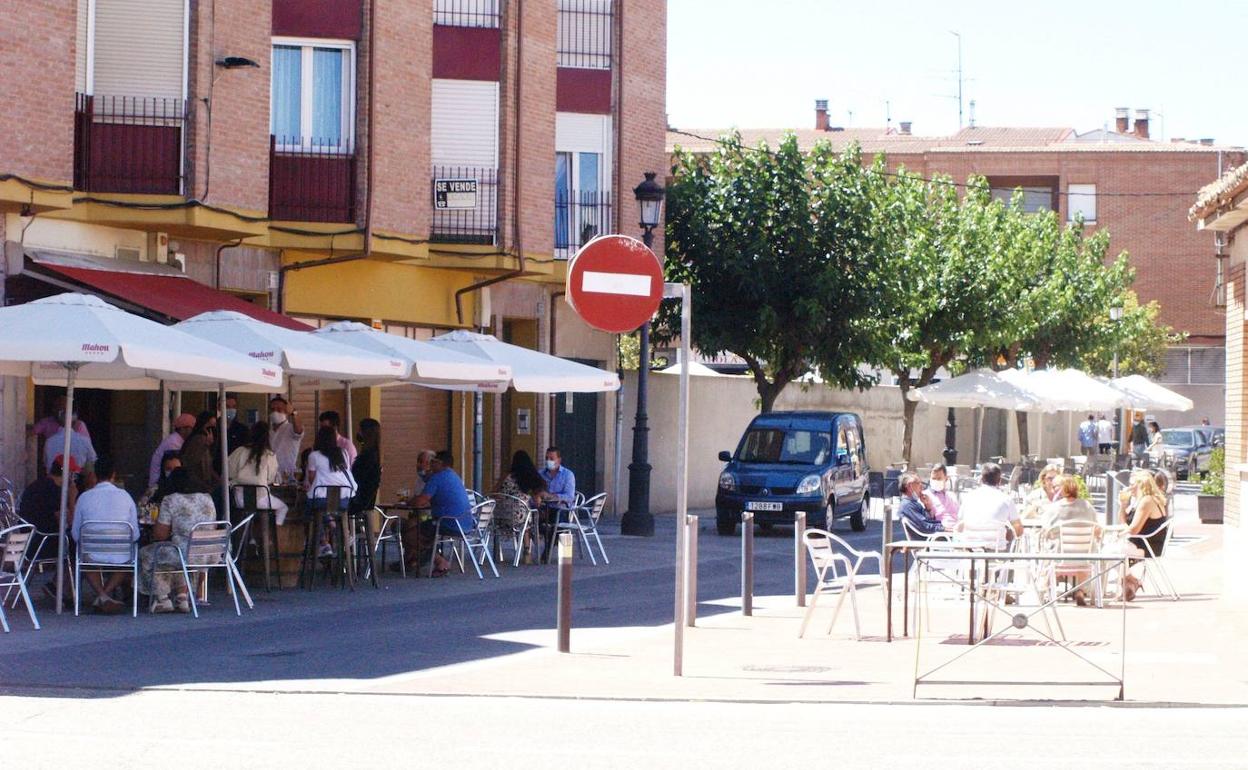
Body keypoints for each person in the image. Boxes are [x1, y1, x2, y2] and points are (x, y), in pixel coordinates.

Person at [137, 468, 216, 614]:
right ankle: (181, 597)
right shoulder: (207, 498)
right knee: (174, 552)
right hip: (210, 553)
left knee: (147, 554)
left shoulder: (171, 500)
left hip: (185, 553)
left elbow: (160, 534)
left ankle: (162, 598)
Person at [70, 457, 138, 615]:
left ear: (94, 475)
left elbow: (75, 534)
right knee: (129, 560)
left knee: (84, 557)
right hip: (121, 554)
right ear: (113, 475)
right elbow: (134, 534)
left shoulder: (84, 497)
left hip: (92, 553)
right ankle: (105, 594)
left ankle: (102, 595)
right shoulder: (126, 497)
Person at [19, 456, 79, 604]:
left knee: (73, 541)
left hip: (29, 540)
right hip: (42, 542)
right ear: (68, 474)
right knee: (78, 545)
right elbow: (67, 522)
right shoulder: (52, 490)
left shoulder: (39, 485)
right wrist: (72, 499)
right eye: (74, 474)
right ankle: (62, 588)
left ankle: (58, 585)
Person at [410, 451, 474, 576]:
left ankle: (440, 561)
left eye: (434, 462)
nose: (431, 465)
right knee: (421, 530)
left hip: (447, 523)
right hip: (465, 523)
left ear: (442, 464)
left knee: (410, 533)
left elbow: (420, 501)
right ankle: (417, 558)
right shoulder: (453, 476)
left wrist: (409, 502)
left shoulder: (437, 478)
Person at [1115, 470, 1171, 600]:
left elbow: (1133, 530)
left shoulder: (1147, 501)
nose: (1129, 487)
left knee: (1111, 552)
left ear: (1141, 485)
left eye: (1132, 484)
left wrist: (1120, 533)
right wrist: (1123, 505)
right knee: (1110, 550)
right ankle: (1130, 582)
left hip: (1147, 545)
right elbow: (1125, 524)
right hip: (1141, 543)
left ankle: (1131, 581)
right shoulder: (1142, 500)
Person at [305, 425, 357, 557]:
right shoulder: (343, 453)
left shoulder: (314, 455)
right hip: (344, 500)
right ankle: (341, 531)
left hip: (322, 500)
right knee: (326, 509)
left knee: (311, 510)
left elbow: (311, 478)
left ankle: (323, 543)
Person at [227, 421, 288, 525]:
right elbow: (270, 479)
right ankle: (273, 534)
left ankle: (251, 537)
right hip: (261, 500)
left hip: (240, 500)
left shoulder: (239, 451)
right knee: (283, 508)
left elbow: (229, 473)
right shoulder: (269, 455)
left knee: (248, 512)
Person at [957, 462, 1022, 544]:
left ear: (981, 479)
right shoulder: (1006, 499)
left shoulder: (968, 497)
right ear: (1000, 481)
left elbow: (960, 523)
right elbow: (1018, 528)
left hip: (970, 549)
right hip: (997, 551)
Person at [494, 450, 547, 535]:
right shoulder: (528, 478)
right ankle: (527, 546)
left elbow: (493, 493)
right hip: (519, 517)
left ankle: (497, 546)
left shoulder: (506, 476)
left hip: (500, 516)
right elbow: (537, 502)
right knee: (528, 517)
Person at [539, 447, 577, 563]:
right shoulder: (540, 474)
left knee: (557, 520)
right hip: (543, 508)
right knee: (533, 520)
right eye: (547, 458)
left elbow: (570, 497)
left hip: (561, 509)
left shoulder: (567, 475)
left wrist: (554, 497)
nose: (548, 461)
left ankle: (548, 552)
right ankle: (530, 550)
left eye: (551, 458)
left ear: (559, 460)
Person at [42, 409, 97, 476]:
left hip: (54, 480)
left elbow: (46, 463)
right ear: (74, 423)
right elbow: (92, 459)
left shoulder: (49, 442)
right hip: (78, 479)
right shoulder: (84, 441)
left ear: (59, 422)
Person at [148, 412, 195, 487]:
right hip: (159, 484)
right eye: (191, 429)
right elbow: (174, 469)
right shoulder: (173, 443)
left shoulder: (178, 440)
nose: (193, 432)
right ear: (182, 429)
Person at [179, 411, 220, 494]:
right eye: (209, 427)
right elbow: (193, 462)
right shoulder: (198, 440)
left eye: (214, 426)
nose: (212, 430)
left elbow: (208, 467)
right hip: (196, 487)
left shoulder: (205, 442)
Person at [349, 418, 382, 515]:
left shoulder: (368, 457)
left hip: (359, 499)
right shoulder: (374, 454)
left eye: (360, 430)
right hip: (365, 500)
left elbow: (359, 477)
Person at [897, 472, 945, 537]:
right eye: (918, 483)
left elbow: (928, 522)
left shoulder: (913, 503)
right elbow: (925, 526)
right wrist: (945, 529)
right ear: (909, 486)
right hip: (927, 540)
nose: (922, 487)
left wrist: (928, 507)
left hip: (930, 537)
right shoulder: (907, 505)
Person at [268, 396, 304, 479]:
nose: (275, 412)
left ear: (286, 411)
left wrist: (294, 412)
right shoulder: (268, 431)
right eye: (272, 409)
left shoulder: (291, 428)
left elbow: (299, 430)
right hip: (270, 474)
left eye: (279, 409)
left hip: (287, 476)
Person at [924, 463, 959, 528]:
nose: (936, 481)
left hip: (958, 531)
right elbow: (926, 521)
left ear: (946, 478)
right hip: (941, 532)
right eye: (933, 478)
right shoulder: (925, 496)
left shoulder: (952, 495)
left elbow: (959, 515)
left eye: (939, 478)